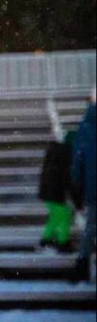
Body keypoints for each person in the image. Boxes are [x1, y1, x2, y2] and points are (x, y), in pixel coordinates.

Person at [70, 87, 96, 282]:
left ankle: (82, 265)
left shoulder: (85, 127)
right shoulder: (86, 127)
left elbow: (77, 162)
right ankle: (82, 265)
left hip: (92, 187)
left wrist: (77, 186)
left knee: (90, 228)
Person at [38, 131, 76, 252]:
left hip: (47, 190)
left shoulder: (56, 151)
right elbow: (67, 178)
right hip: (55, 191)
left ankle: (47, 240)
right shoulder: (67, 154)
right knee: (65, 215)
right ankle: (62, 242)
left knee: (57, 215)